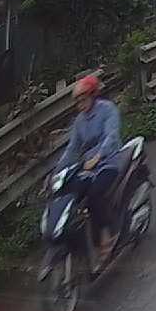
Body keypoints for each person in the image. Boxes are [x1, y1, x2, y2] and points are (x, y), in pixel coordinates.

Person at [53, 74, 123, 263]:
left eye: (83, 99)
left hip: (109, 162)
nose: (80, 104)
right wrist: (56, 173)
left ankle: (107, 234)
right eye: (77, 101)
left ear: (92, 96)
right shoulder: (79, 121)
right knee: (71, 192)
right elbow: (72, 149)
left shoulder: (107, 109)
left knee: (94, 194)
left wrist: (98, 156)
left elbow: (112, 136)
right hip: (87, 167)